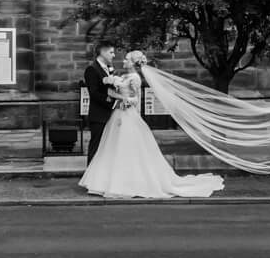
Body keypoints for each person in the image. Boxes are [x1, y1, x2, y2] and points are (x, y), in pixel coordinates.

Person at [79, 50, 225, 200]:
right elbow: (117, 93)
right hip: (117, 114)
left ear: (133, 63)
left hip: (128, 115)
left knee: (127, 148)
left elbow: (136, 99)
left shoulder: (135, 78)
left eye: (126, 60)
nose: (123, 61)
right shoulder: (123, 76)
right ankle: (108, 182)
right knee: (112, 147)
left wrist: (125, 101)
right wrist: (112, 88)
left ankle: (129, 183)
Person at [81, 43, 117, 161]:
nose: (114, 55)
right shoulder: (92, 69)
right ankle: (90, 176)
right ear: (102, 52)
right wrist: (112, 101)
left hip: (108, 113)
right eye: (111, 52)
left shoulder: (108, 68)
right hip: (98, 115)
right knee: (96, 146)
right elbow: (94, 93)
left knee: (106, 147)